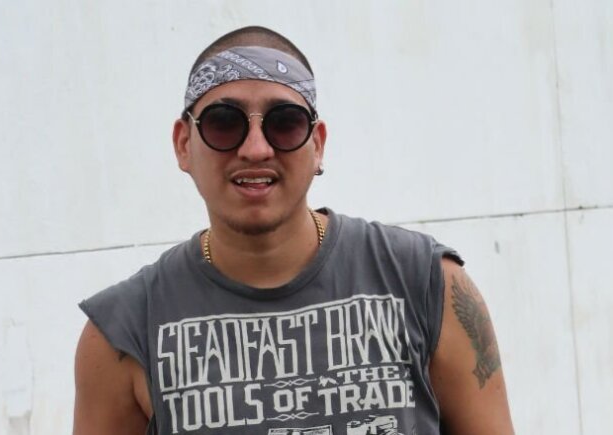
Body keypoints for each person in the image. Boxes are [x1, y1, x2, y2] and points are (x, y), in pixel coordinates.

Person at [73, 26, 514, 435]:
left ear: (317, 144)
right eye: (224, 122)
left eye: (285, 122)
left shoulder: (426, 285)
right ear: (184, 143)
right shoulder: (123, 332)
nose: (256, 148)